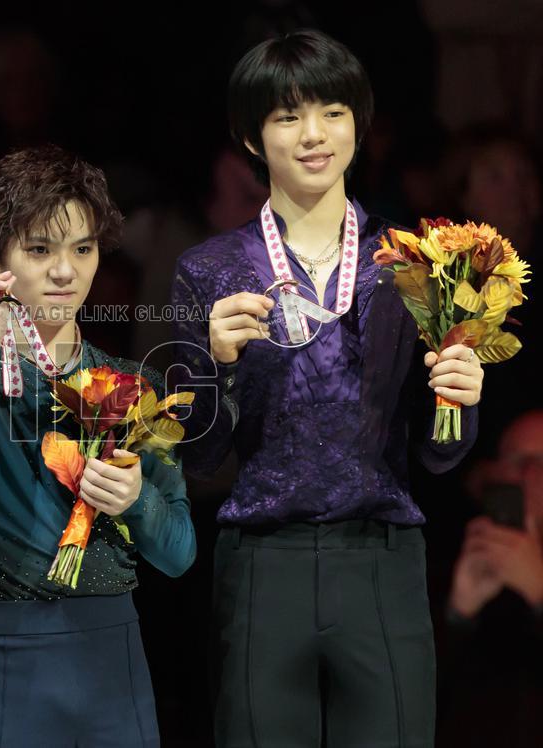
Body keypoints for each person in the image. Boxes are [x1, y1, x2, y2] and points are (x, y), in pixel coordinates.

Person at [171, 31, 484, 746]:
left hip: (383, 560)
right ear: (250, 137)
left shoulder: (416, 263)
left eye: (332, 111)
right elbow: (198, 456)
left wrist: (458, 400)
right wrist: (213, 366)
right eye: (286, 117)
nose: (313, 135)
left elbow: (442, 457)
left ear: (360, 121)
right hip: (262, 564)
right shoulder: (210, 271)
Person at [0, 145, 196, 746]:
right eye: (40, 249)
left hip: (115, 662)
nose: (66, 271)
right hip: (0, 669)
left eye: (82, 249)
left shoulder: (135, 386)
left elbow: (180, 553)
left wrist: (137, 499)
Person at [438, 410, 543, 747]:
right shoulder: (458, 545)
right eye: (517, 459)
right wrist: (458, 612)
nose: (530, 473)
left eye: (542, 460)